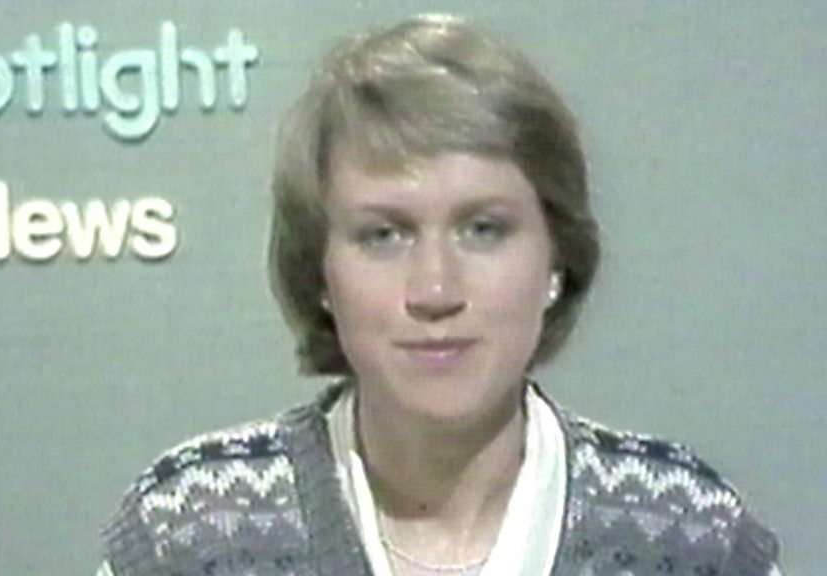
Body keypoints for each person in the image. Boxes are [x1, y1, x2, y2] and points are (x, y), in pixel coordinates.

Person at [96, 14, 783, 576]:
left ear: (557, 259)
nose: (434, 289)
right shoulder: (193, 535)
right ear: (321, 272)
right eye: (384, 235)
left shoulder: (688, 537)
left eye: (483, 230)